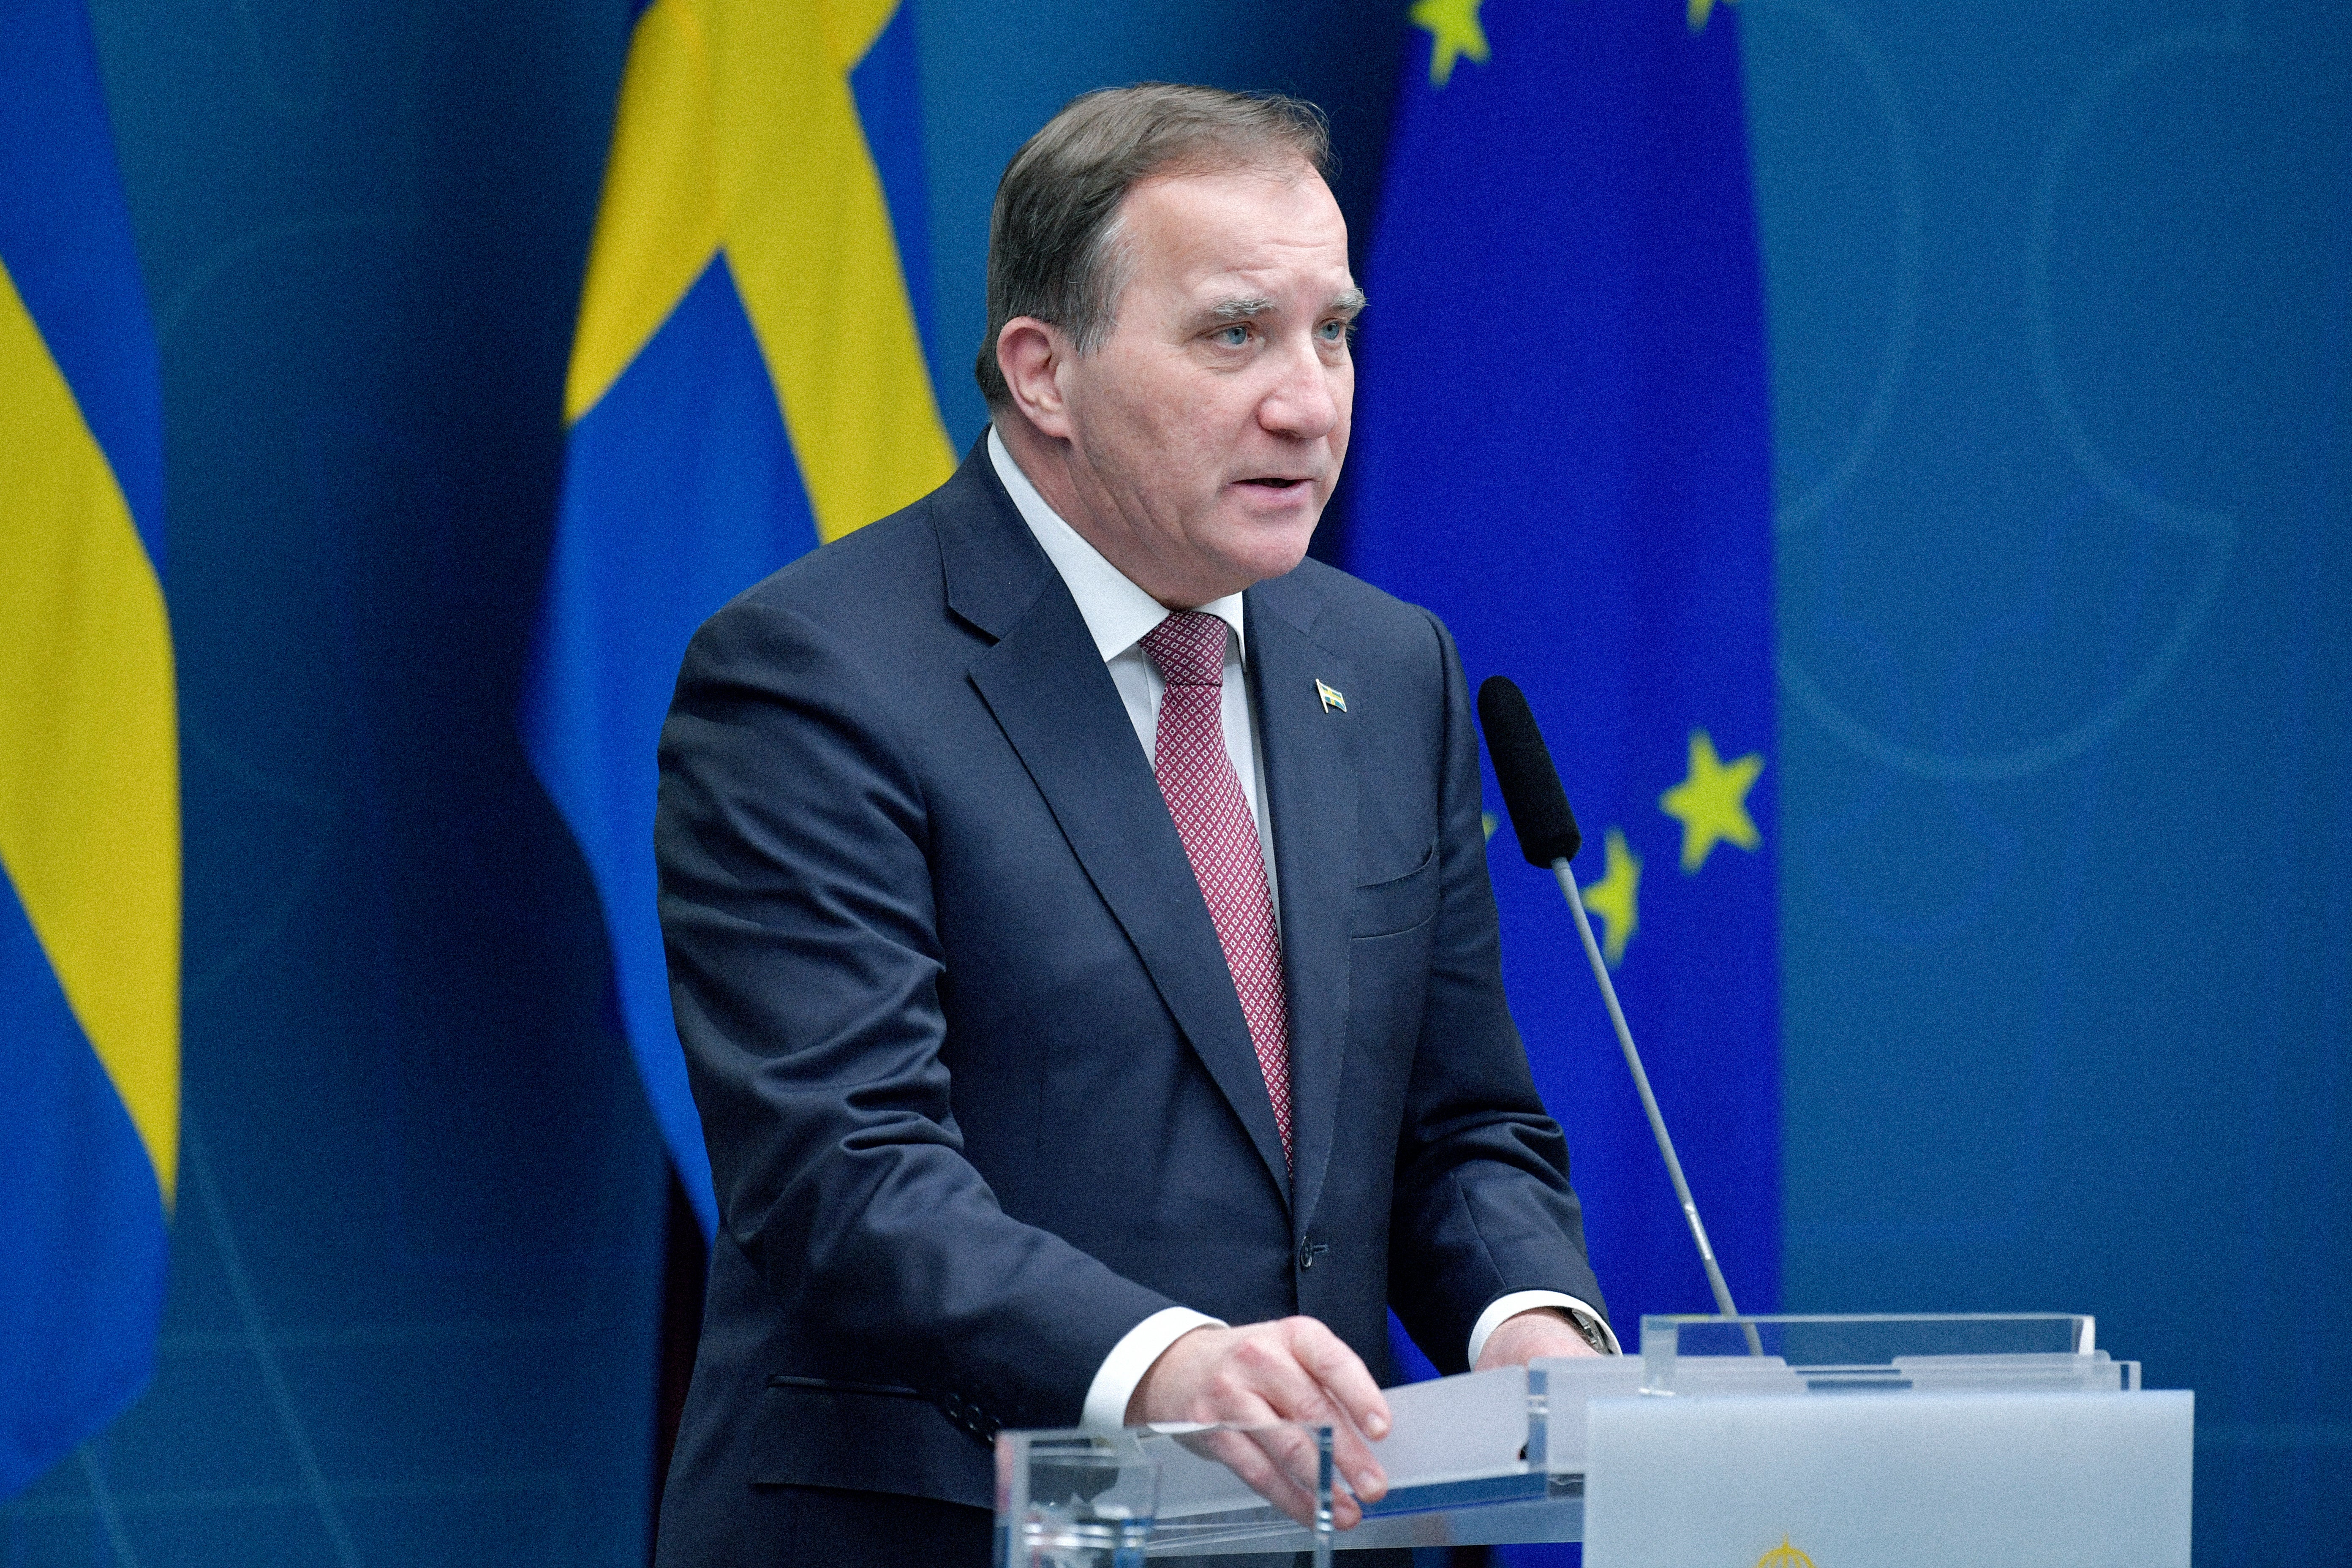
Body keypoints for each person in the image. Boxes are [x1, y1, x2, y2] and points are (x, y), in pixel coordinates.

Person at [651, 84, 1615, 1568]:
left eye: (1334, 330)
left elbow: (1455, 1125)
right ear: (1045, 370)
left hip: (1306, 1537)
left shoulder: (1388, 666)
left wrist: (1526, 1322)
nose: (1310, 397)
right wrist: (1160, 1364)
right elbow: (842, 1171)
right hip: (939, 1533)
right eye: (1236, 333)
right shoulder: (814, 678)